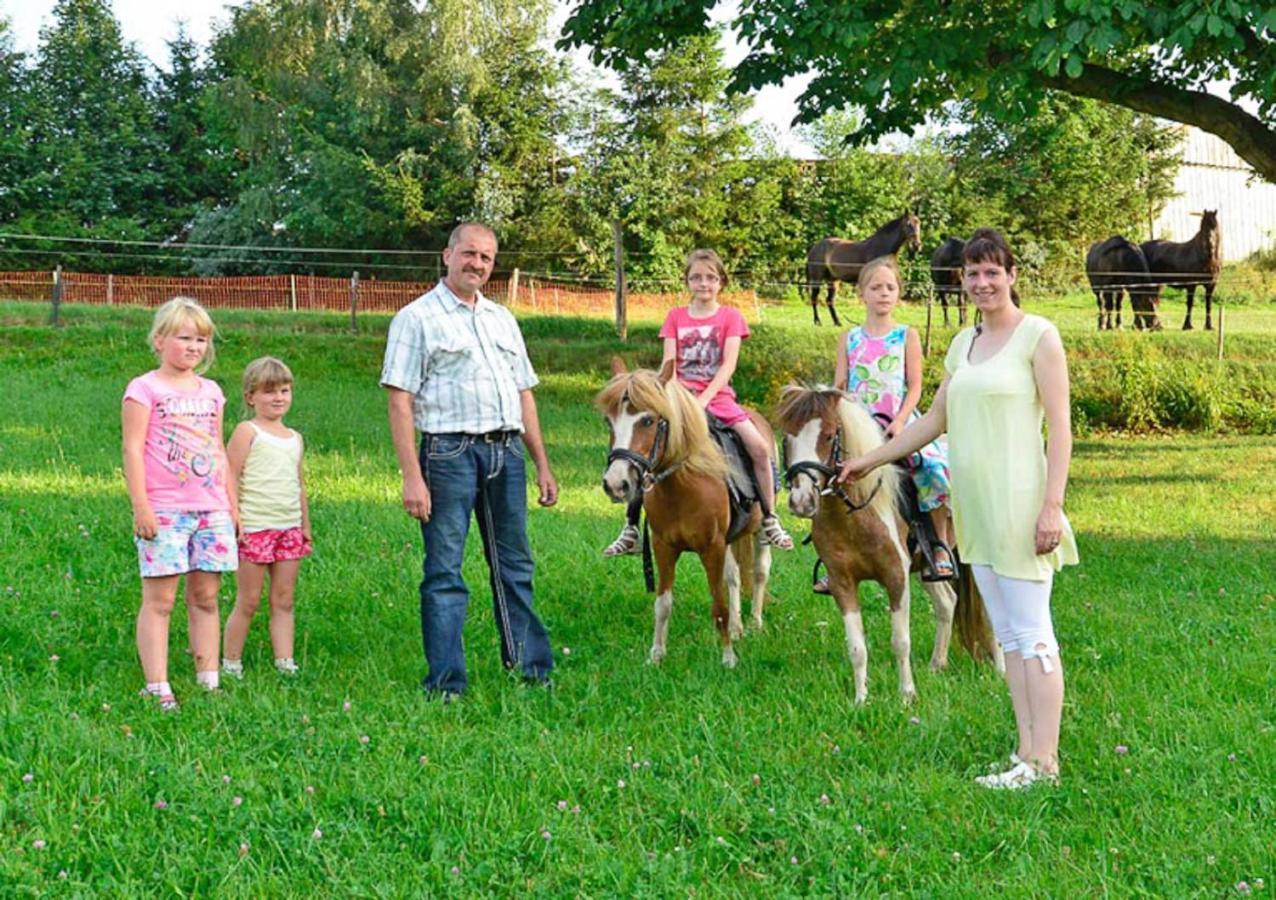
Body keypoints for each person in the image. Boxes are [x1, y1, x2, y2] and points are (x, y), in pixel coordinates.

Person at [838, 230, 1078, 789]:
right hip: (974, 505)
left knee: (1034, 632)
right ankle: (1026, 756)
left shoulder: (1039, 337)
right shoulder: (963, 344)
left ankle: (1046, 762)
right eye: (972, 273)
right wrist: (869, 458)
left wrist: (1052, 506)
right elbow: (932, 420)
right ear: (962, 280)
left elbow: (1062, 429)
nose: (982, 282)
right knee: (1010, 637)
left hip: (1021, 503)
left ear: (1012, 275)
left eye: (992, 272)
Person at [381, 222, 557, 700]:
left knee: (515, 563)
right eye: (469, 254)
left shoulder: (502, 319)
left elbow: (524, 394)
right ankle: (446, 683)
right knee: (445, 571)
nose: (477, 264)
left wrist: (541, 463)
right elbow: (400, 400)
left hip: (507, 451)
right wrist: (412, 478)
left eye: (486, 257)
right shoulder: (416, 319)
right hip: (447, 455)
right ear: (447, 255)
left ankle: (530, 666)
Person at [601, 248, 793, 557]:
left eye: (710, 278)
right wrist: (681, 399)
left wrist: (703, 399)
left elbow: (728, 366)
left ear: (721, 282)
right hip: (679, 399)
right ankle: (631, 527)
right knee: (646, 450)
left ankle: (769, 516)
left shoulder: (731, 317)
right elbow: (669, 363)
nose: (703, 284)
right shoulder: (675, 317)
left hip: (720, 398)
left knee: (757, 447)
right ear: (687, 281)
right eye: (696, 277)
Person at [122, 296, 236, 711]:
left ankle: (209, 679)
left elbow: (219, 449)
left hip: (212, 511)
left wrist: (231, 505)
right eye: (184, 338)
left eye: (201, 340)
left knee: (206, 596)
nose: (193, 347)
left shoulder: (212, 392)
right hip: (166, 510)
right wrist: (142, 507)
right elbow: (132, 450)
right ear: (159, 340)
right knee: (162, 600)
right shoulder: (144, 389)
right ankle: (157, 685)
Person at [834, 256, 953, 577]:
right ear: (862, 294)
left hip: (898, 421)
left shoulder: (905, 336)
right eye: (876, 287)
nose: (883, 293)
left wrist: (901, 421)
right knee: (828, 473)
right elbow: (840, 386)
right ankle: (832, 551)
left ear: (899, 293)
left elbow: (914, 386)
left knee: (932, 468)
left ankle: (939, 543)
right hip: (859, 425)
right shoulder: (850, 338)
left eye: (890, 287)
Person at [222, 357, 312, 679]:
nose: (278, 398)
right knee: (248, 599)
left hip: (288, 528)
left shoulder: (295, 438)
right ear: (250, 397)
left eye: (285, 391)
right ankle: (231, 662)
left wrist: (304, 524)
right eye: (269, 391)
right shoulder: (248, 431)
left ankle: (284, 661)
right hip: (255, 528)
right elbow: (229, 474)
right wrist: (235, 518)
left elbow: (298, 482)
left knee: (284, 598)